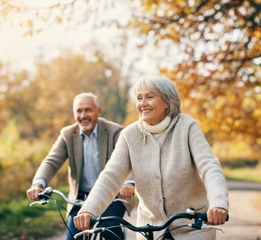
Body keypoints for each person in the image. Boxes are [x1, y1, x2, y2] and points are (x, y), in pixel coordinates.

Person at [73, 75, 229, 240]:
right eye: (139, 98)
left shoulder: (187, 127)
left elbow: (209, 167)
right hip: (150, 230)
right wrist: (89, 210)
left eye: (149, 97)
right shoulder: (129, 135)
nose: (142, 103)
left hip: (193, 226)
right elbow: (111, 176)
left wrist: (218, 203)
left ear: (167, 101)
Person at [26, 92, 135, 240]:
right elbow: (51, 161)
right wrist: (38, 183)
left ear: (98, 111)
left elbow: (126, 160)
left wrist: (128, 183)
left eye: (88, 110)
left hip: (112, 196)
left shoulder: (115, 132)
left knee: (110, 230)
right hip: (80, 198)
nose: (83, 115)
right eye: (79, 110)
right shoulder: (67, 134)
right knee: (73, 235)